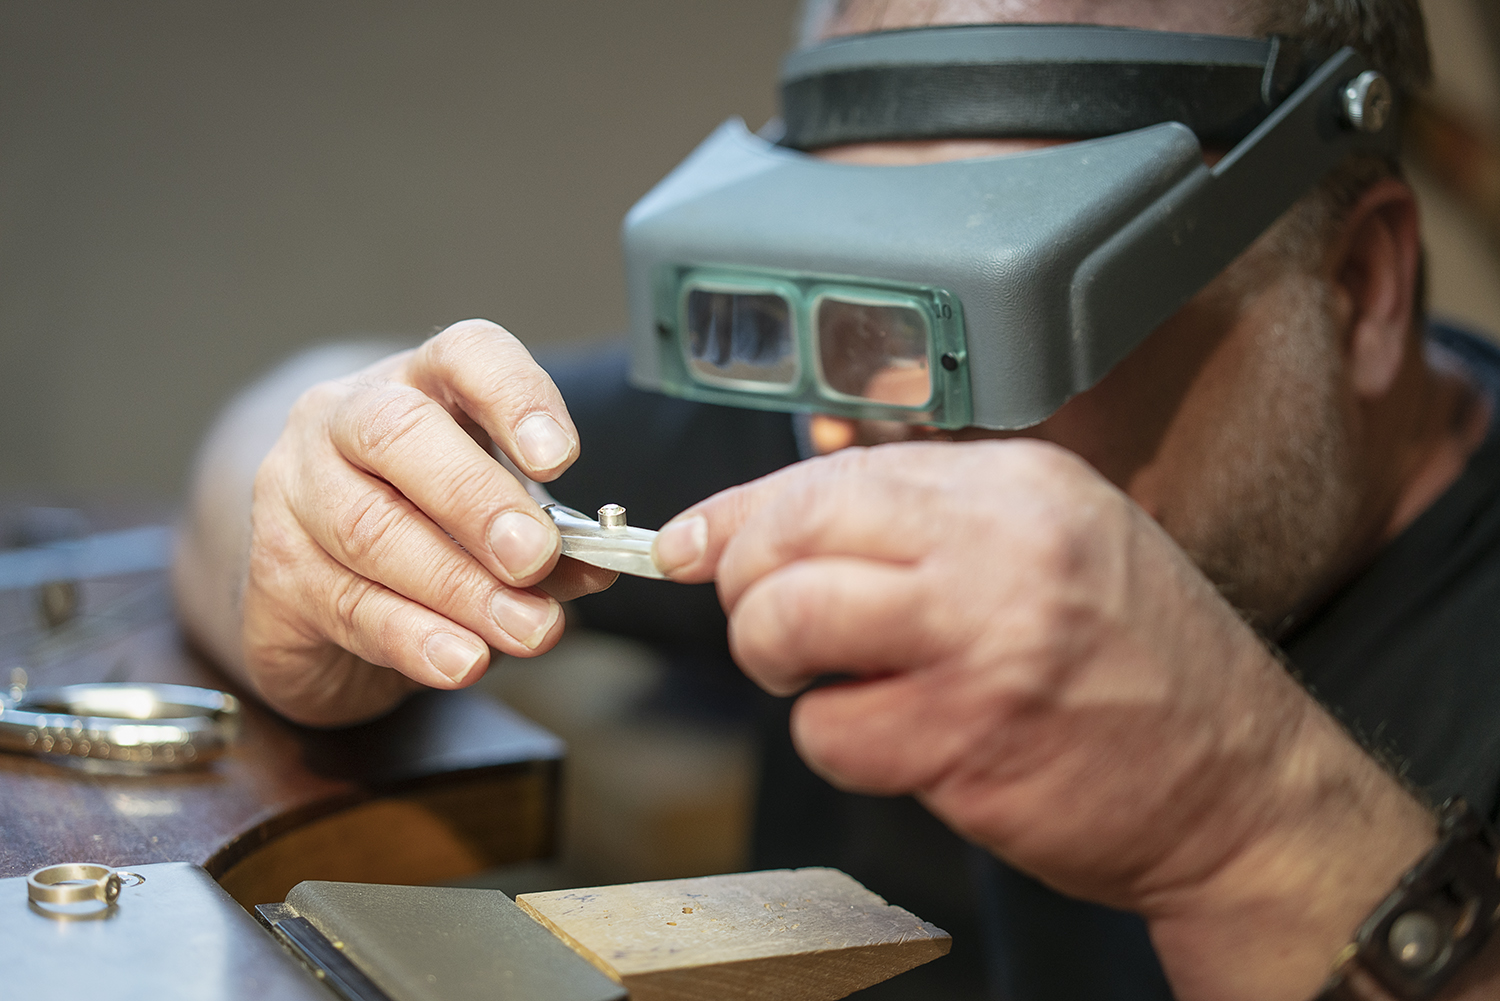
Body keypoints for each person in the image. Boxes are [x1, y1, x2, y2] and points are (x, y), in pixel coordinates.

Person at [172, 1, 1500, 998]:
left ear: (1358, 289)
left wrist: (1258, 829)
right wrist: (325, 519)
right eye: (843, 300)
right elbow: (279, 410)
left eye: (1004, 308)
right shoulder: (867, 391)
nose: (855, 424)